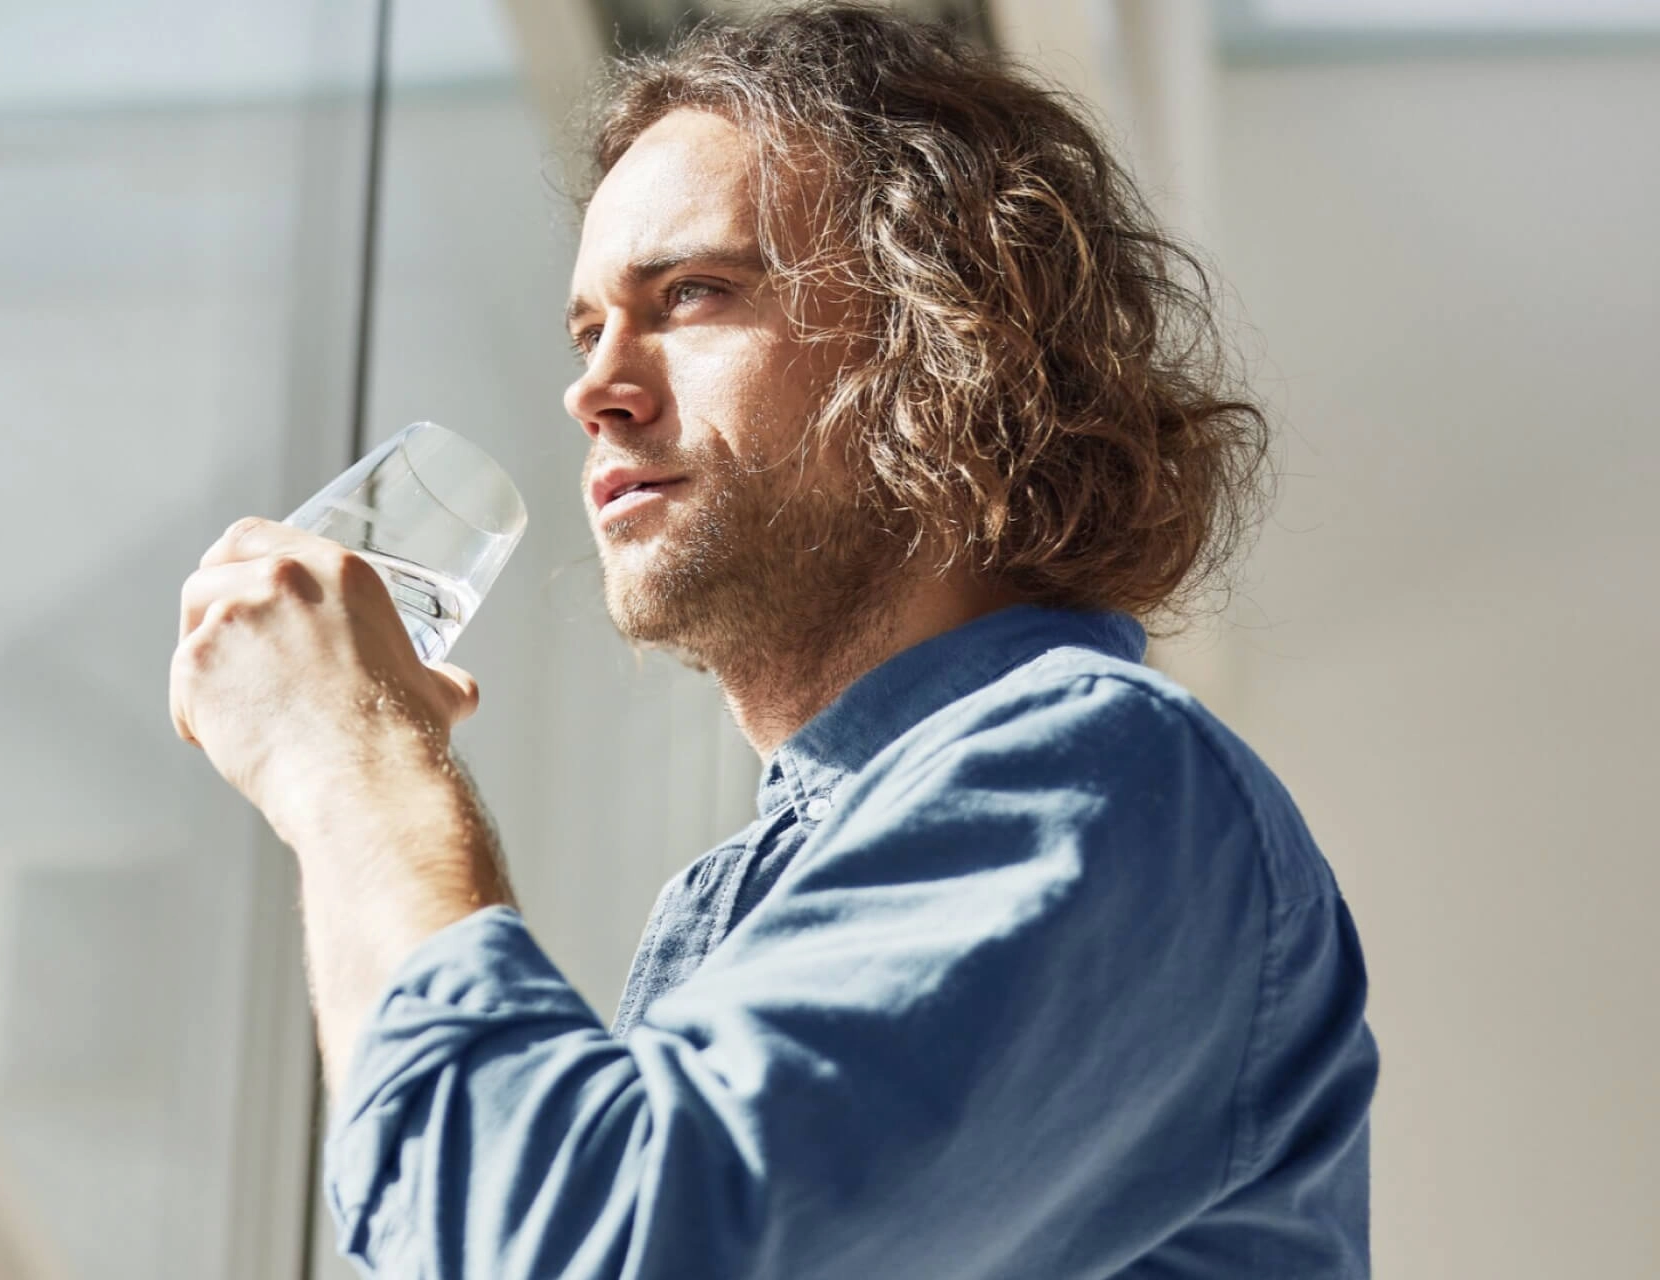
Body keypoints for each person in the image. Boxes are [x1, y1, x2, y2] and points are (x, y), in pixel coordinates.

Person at [169, 6, 1376, 1277]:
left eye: (689, 294)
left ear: (948, 331)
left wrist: (356, 756)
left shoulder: (1101, 774)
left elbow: (572, 1246)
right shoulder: (766, 881)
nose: (593, 387)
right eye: (586, 330)